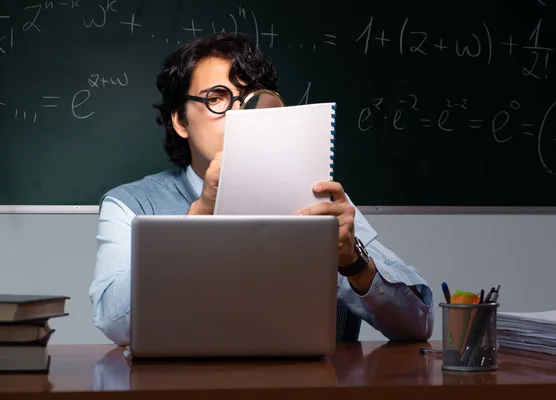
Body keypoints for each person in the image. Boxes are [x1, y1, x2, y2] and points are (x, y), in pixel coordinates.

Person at [89, 32, 434, 346]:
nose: (241, 115)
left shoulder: (317, 196)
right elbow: (113, 321)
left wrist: (353, 262)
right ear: (180, 120)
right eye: (218, 99)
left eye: (251, 99)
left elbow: (418, 325)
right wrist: (194, 224)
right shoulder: (132, 205)